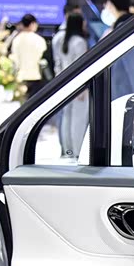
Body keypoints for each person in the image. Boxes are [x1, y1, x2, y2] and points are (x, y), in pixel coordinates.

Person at [52, 11, 89, 160]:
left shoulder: (62, 40)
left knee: (67, 118)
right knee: (78, 119)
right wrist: (82, 88)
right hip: (78, 86)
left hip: (64, 84)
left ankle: (68, 150)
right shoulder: (79, 41)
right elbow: (81, 67)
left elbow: (58, 64)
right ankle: (77, 150)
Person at [9, 14, 47, 99]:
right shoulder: (39, 40)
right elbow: (42, 58)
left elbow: (14, 59)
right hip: (36, 76)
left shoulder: (16, 40)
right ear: (32, 24)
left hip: (20, 77)